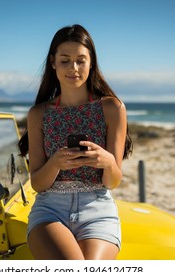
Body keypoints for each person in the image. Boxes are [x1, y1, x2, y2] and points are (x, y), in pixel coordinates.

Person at [18, 24, 133, 260]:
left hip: (98, 209)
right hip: (50, 210)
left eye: (81, 60)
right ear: (53, 63)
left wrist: (108, 161)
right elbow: (38, 184)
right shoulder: (38, 114)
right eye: (65, 60)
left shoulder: (112, 108)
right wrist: (55, 163)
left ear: (91, 63)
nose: (74, 68)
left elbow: (113, 181)